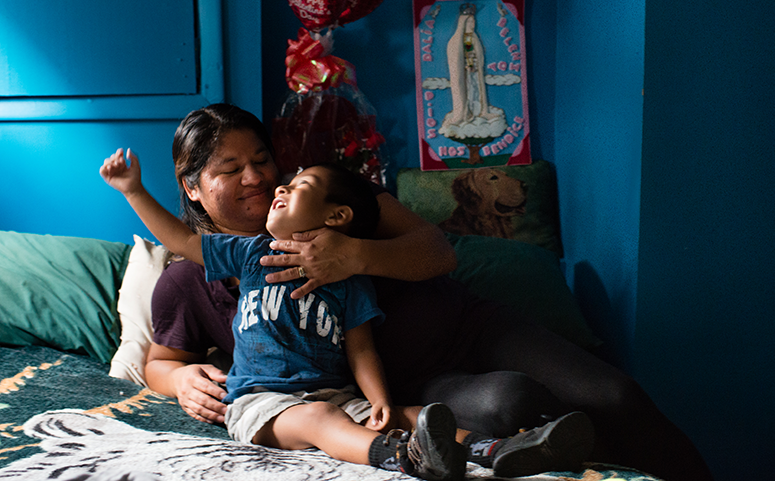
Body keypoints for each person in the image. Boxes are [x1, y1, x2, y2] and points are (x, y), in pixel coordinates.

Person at [141, 103, 712, 481]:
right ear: (192, 187)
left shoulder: (329, 194)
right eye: (229, 169)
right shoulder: (192, 276)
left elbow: (437, 251)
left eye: (262, 160)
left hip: (470, 328)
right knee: (510, 405)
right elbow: (160, 362)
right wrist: (179, 378)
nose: (256, 178)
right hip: (402, 384)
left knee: (614, 394)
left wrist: (356, 254)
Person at [101, 152, 594, 478]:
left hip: (335, 390)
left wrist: (379, 400)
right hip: (262, 401)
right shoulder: (249, 254)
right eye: (231, 169)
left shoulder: (348, 276)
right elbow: (183, 242)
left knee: (409, 415)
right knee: (320, 420)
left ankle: (497, 450)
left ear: (336, 217)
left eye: (294, 184)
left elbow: (361, 346)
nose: (272, 186)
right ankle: (401, 457)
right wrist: (133, 191)